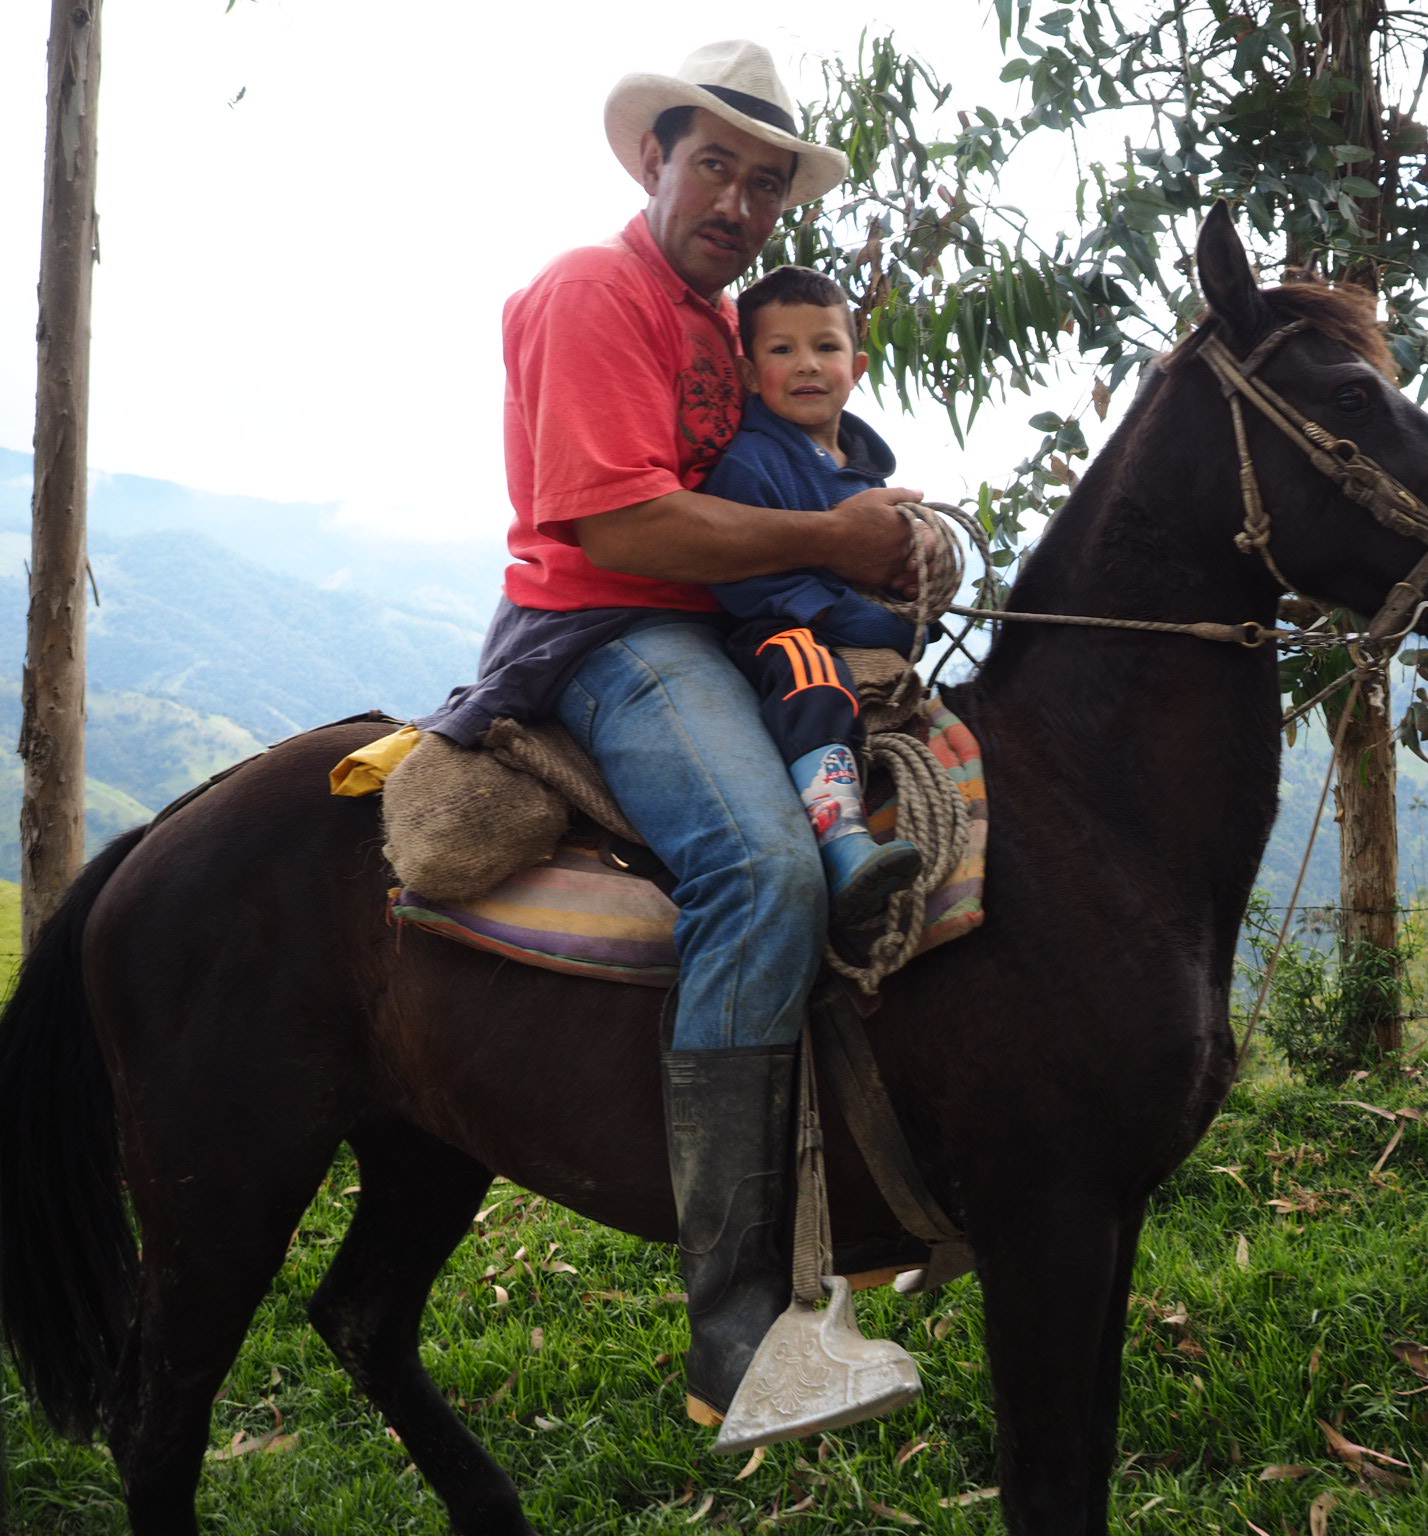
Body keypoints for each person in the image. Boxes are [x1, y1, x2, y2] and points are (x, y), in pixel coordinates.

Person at [416, 40, 931, 1432]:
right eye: (716, 168)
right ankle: (736, 1334)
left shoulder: (719, 322)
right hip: (610, 632)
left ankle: (874, 1197)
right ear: (656, 159)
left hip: (726, 624)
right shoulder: (596, 292)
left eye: (766, 185)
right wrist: (831, 541)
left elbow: (774, 473)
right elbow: (623, 525)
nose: (740, 204)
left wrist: (878, 543)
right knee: (762, 868)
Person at [705, 264, 924, 928]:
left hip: (847, 623)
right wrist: (856, 617)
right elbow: (749, 578)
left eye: (825, 346)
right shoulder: (749, 464)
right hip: (771, 630)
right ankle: (842, 837)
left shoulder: (864, 471)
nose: (806, 364)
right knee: (810, 671)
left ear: (855, 367)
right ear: (749, 374)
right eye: (782, 349)